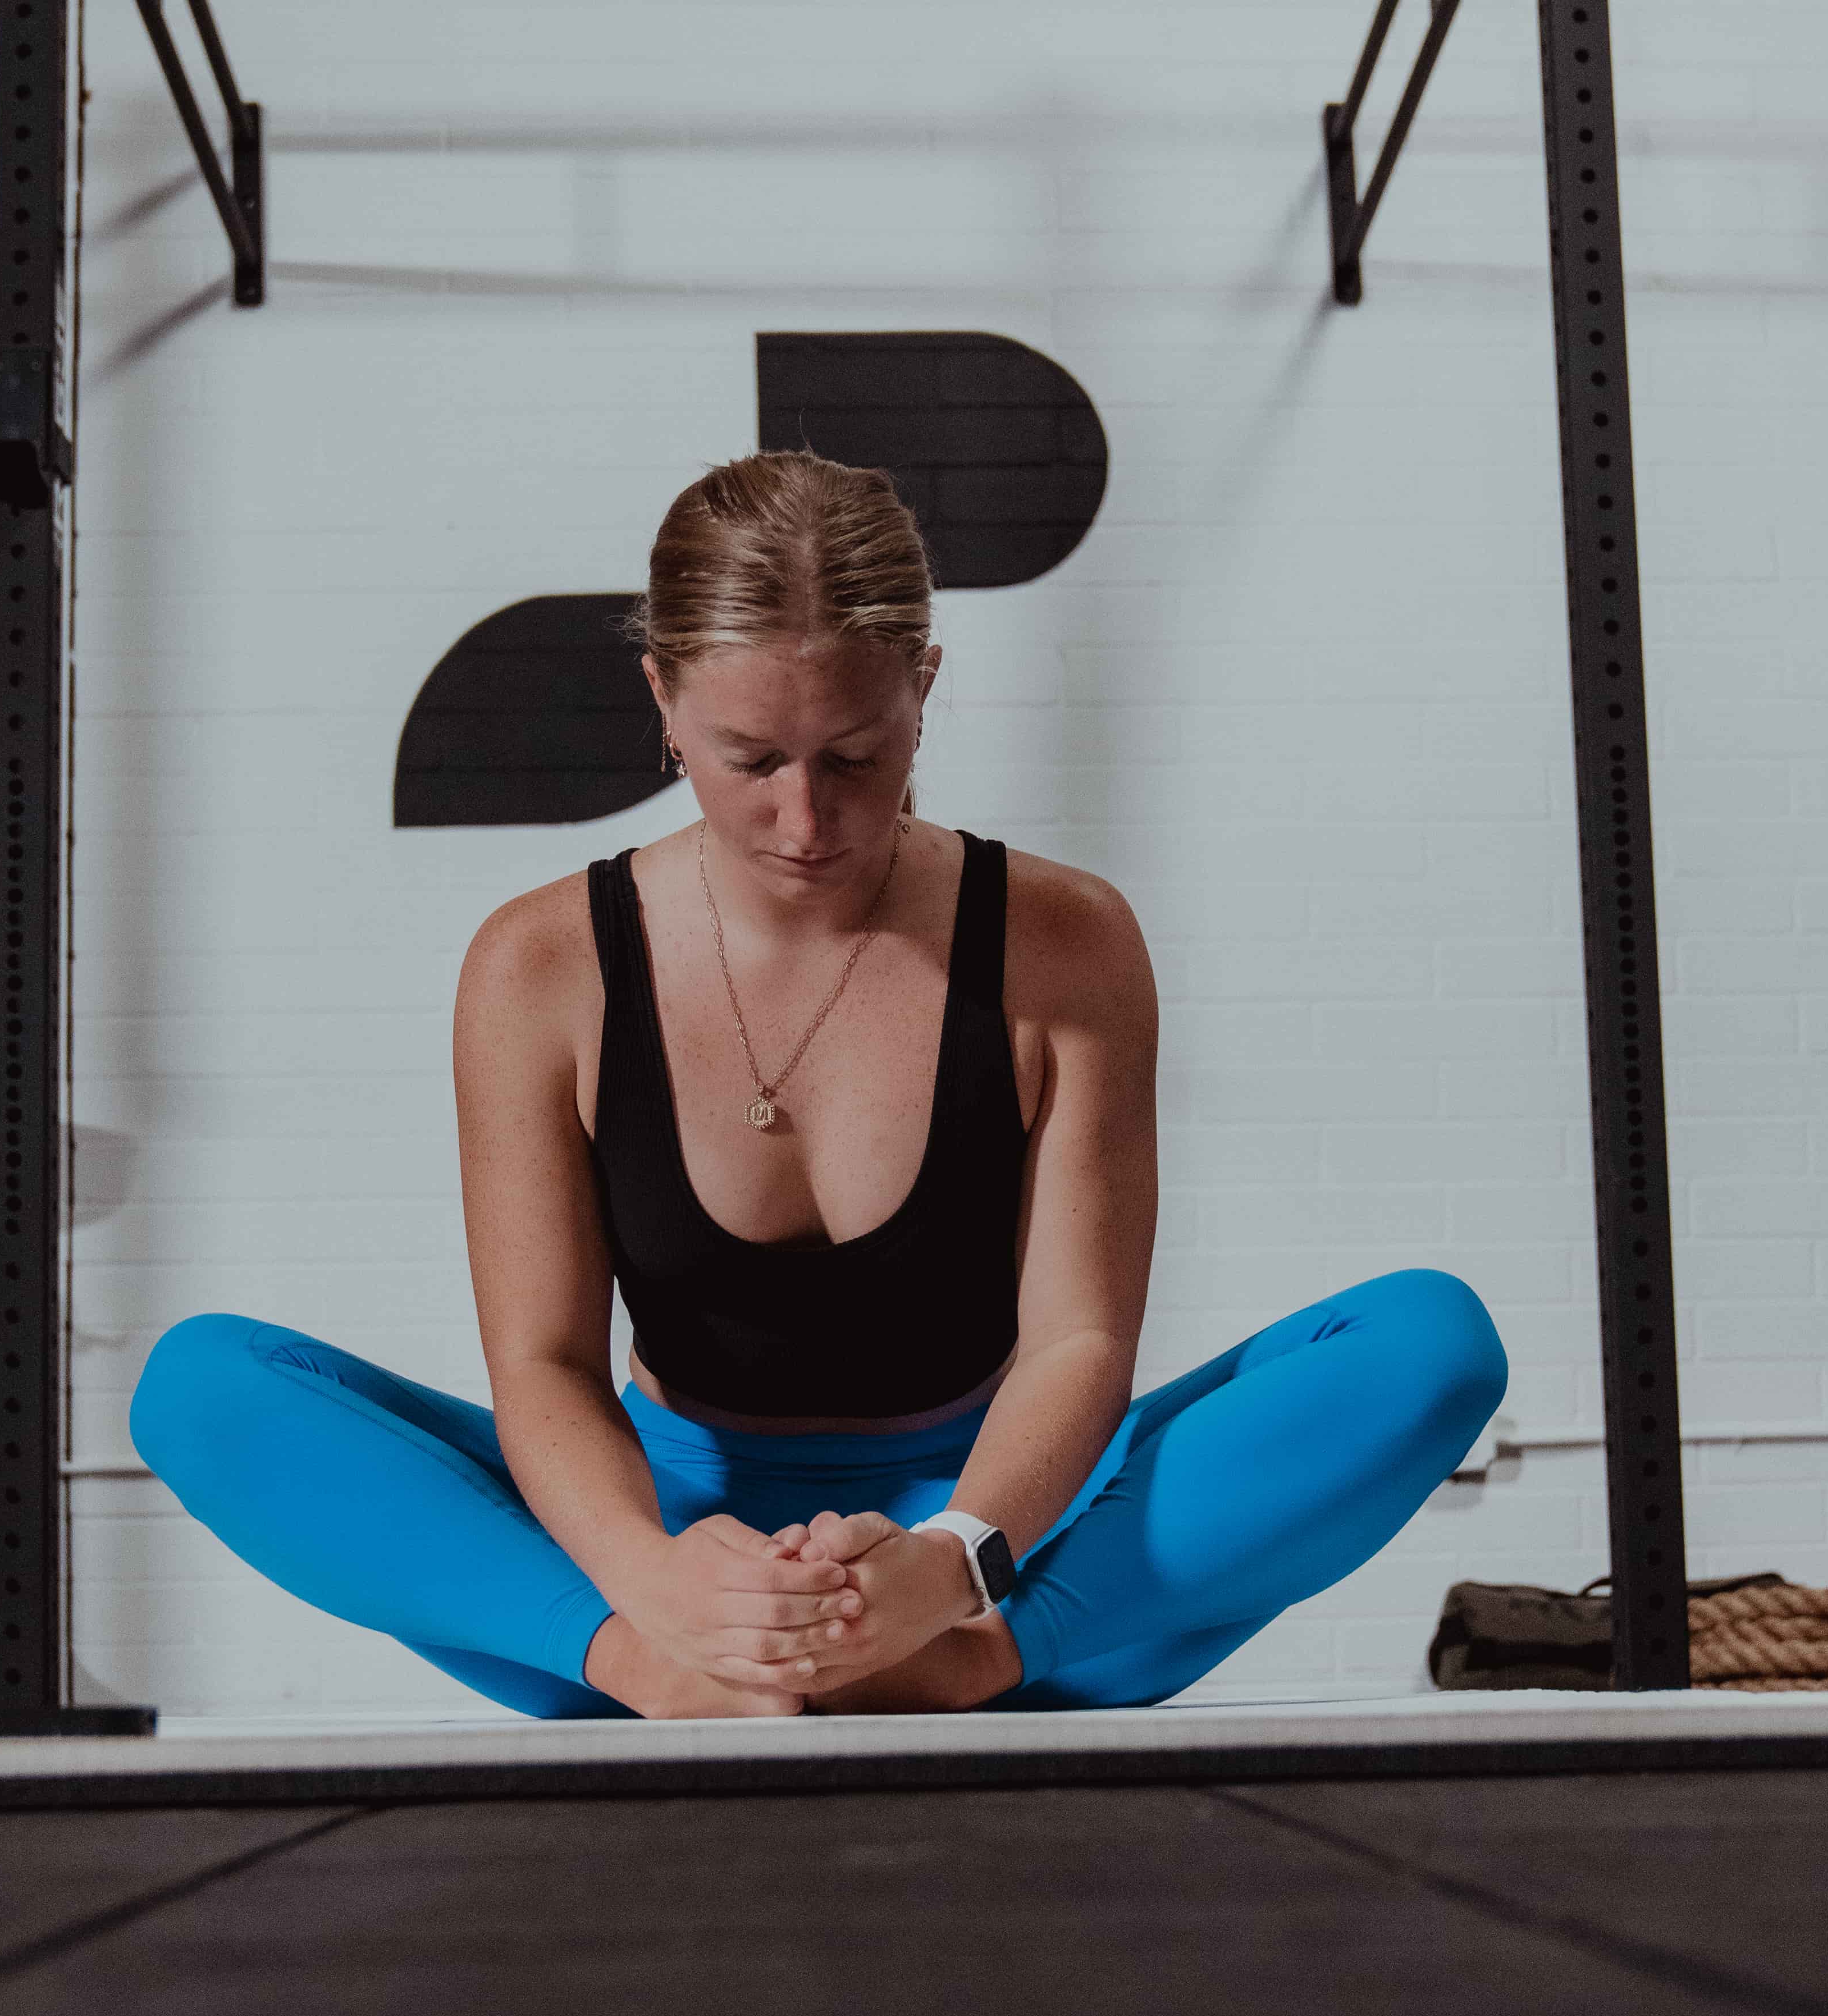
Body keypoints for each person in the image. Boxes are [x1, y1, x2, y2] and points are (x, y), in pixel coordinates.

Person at [135, 452, 1505, 1719]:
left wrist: (952, 1566)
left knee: (1429, 1343)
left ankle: (963, 1669)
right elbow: (542, 1364)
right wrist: (658, 1596)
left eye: (854, 755)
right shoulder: (539, 964)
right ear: (664, 699)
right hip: (662, 1554)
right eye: (751, 760)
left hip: (1010, 1546)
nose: (805, 819)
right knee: (201, 1386)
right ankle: (669, 1679)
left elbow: (1079, 1340)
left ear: (923, 686)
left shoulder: (1065, 939)